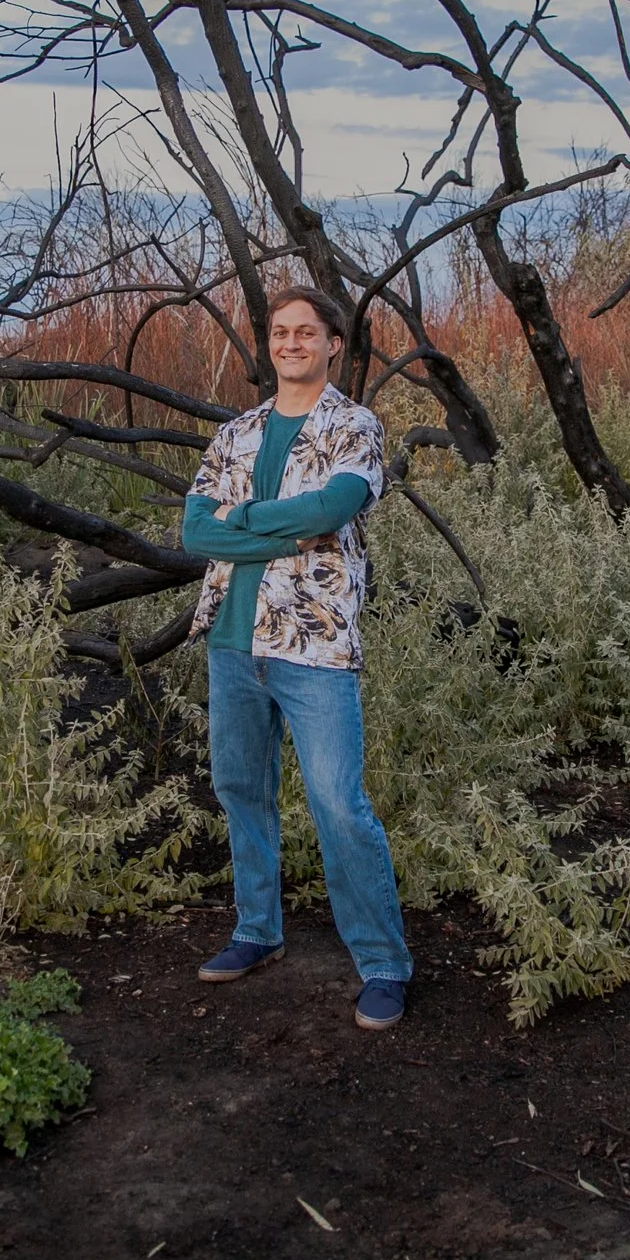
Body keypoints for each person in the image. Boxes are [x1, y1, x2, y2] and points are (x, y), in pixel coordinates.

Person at [180, 284, 412, 1030]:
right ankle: (257, 930)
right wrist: (280, 531)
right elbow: (193, 531)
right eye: (280, 332)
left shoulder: (355, 426)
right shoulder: (236, 433)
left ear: (333, 342)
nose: (290, 343)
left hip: (312, 642)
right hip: (232, 639)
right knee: (241, 787)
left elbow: (330, 509)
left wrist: (241, 521)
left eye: (305, 332)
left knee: (339, 805)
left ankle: (383, 963)